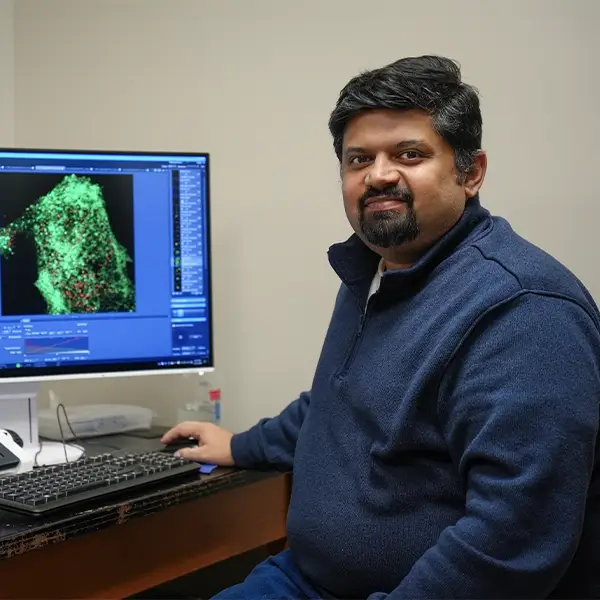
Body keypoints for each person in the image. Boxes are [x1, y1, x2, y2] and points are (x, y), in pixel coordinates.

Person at [162, 55, 600, 599]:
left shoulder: (524, 310)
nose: (379, 174)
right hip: (303, 577)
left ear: (472, 172)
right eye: (358, 158)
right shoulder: (377, 266)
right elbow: (341, 403)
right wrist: (242, 446)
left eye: (409, 154)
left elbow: (513, 542)